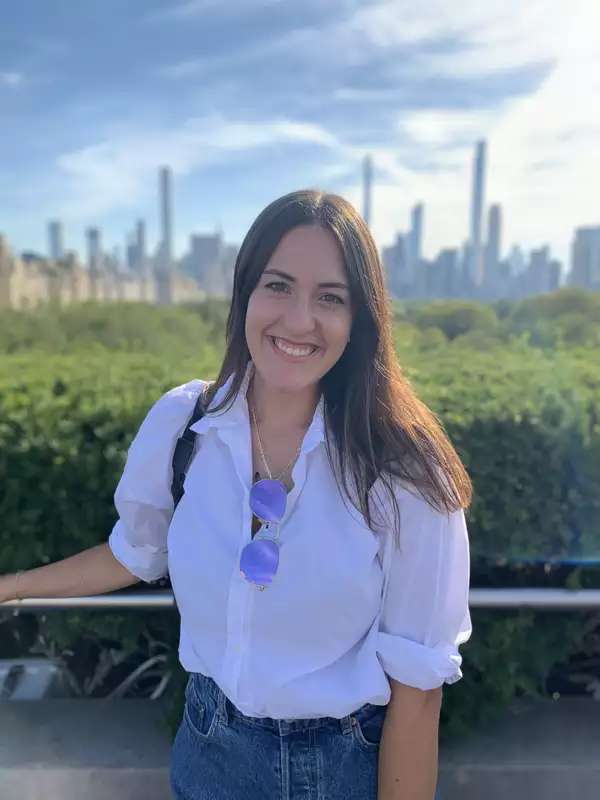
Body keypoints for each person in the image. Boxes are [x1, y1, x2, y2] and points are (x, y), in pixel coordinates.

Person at [1, 189, 472, 800]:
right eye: (277, 285)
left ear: (361, 319)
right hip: (205, 746)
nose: (299, 320)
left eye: (330, 298)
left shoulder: (405, 469)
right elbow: (136, 552)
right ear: (245, 293)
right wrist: (10, 588)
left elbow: (419, 687)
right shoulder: (184, 424)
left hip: (336, 770)